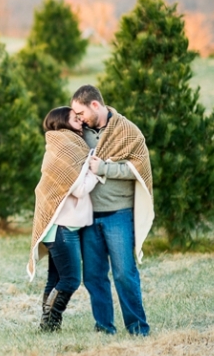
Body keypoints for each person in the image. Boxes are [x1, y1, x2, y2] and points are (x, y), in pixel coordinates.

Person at [70, 84, 154, 336]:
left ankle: (138, 327)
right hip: (87, 216)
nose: (79, 119)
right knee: (94, 276)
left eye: (81, 113)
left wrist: (105, 168)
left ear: (95, 105)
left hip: (118, 214)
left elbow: (137, 170)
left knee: (124, 273)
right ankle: (104, 327)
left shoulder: (127, 132)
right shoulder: (79, 133)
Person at [27, 106, 99, 332]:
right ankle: (50, 322)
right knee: (70, 280)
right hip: (60, 227)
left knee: (55, 278)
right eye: (75, 119)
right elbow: (79, 188)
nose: (80, 121)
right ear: (63, 123)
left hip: (60, 225)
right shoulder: (66, 148)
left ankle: (48, 326)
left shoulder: (64, 144)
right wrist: (96, 170)